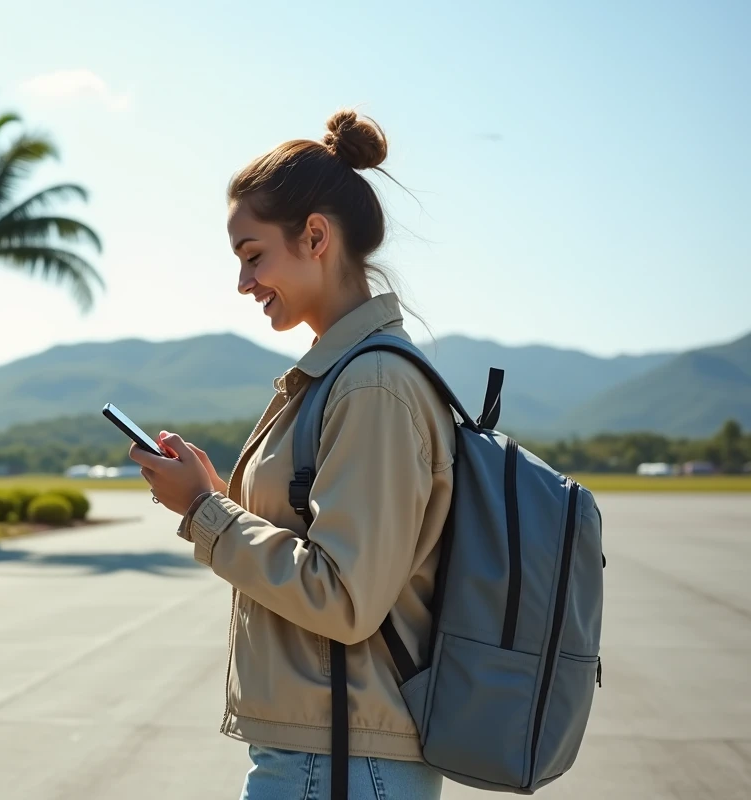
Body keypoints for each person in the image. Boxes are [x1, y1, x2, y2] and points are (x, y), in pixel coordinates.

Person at [127, 109, 455, 799]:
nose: (244, 282)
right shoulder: (342, 377)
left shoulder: (370, 385)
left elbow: (345, 598)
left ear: (315, 237)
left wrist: (205, 511)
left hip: (340, 760)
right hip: (329, 752)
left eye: (253, 256)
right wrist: (216, 498)